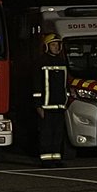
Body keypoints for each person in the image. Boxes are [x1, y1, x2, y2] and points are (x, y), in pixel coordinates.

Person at [33, 33, 68, 168]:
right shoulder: (41, 62)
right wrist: (38, 105)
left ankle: (56, 158)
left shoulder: (62, 62)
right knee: (46, 133)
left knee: (58, 133)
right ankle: (46, 159)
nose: (56, 47)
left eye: (58, 45)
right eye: (53, 45)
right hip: (46, 106)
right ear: (46, 47)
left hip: (60, 105)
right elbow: (36, 85)